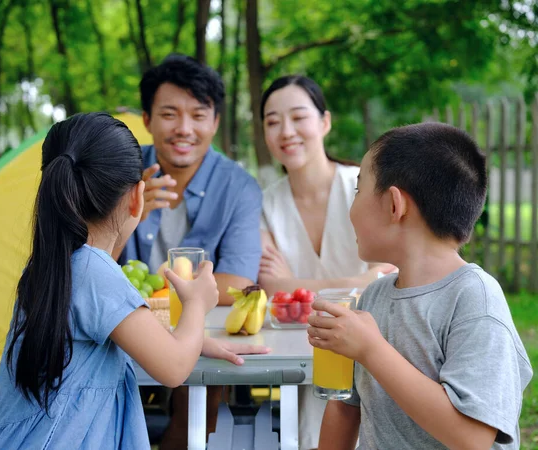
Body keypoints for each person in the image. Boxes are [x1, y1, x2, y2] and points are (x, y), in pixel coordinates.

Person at [0, 113, 268, 450]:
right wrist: (196, 304)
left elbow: (112, 326)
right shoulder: (95, 273)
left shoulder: (59, 264)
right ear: (136, 198)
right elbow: (174, 368)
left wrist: (189, 339)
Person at [309, 122, 533, 449]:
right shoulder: (374, 296)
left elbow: (472, 439)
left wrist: (372, 350)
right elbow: (345, 409)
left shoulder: (475, 300)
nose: (351, 209)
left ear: (394, 205)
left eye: (358, 191)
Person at [113, 54, 263, 449]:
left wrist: (162, 306)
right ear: (146, 119)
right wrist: (127, 215)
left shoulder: (239, 188)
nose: (184, 129)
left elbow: (236, 283)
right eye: (169, 114)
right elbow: (89, 263)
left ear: (214, 122)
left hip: (195, 328)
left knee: (204, 376)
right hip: (118, 326)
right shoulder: (119, 176)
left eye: (198, 115)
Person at [258, 75, 395, 449]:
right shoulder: (266, 203)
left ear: (325, 122)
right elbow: (270, 288)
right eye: (272, 121)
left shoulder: (362, 186)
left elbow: (392, 277)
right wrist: (359, 280)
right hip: (304, 356)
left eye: (298, 117)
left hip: (377, 354)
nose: (286, 131)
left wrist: (296, 286)